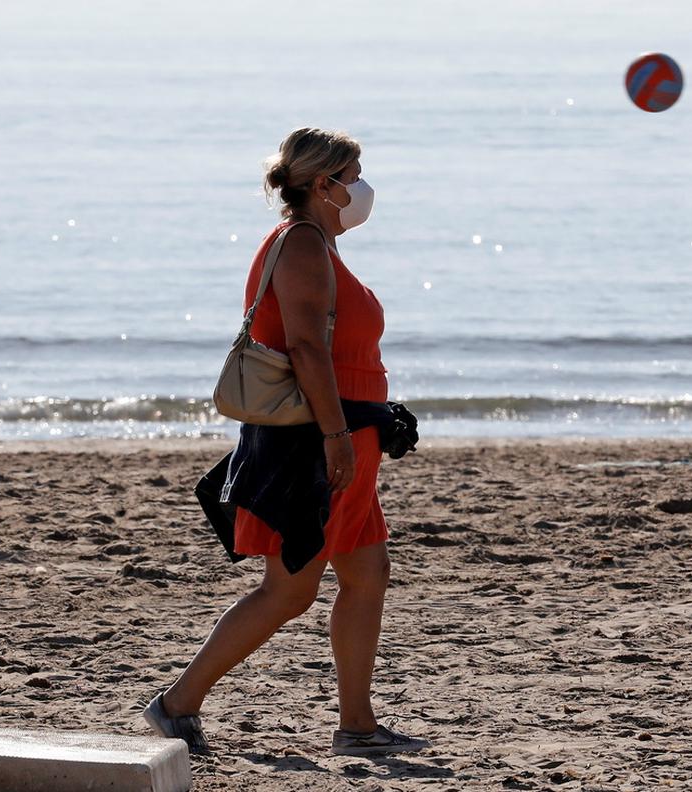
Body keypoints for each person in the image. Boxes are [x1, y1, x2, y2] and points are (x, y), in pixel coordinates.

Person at [143, 128, 429, 757]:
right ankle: (176, 704)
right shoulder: (302, 245)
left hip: (343, 434)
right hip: (317, 441)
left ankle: (357, 725)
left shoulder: (318, 244)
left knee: (367, 571)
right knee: (289, 590)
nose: (363, 187)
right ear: (323, 185)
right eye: (354, 175)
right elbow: (305, 350)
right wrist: (335, 437)